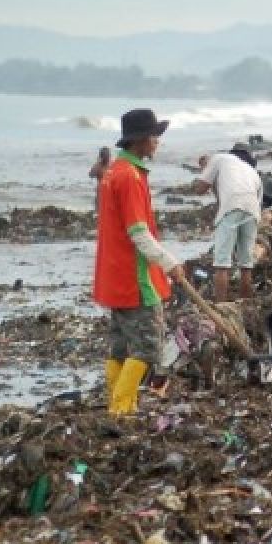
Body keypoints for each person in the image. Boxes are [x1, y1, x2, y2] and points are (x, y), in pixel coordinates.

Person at [94, 109, 184, 416]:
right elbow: (139, 233)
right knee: (148, 348)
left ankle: (118, 406)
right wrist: (170, 263)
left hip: (112, 275)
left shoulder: (112, 173)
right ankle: (121, 410)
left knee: (120, 347)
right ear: (140, 141)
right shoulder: (130, 177)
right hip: (134, 277)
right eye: (154, 137)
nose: (157, 143)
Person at [195, 143, 263, 302]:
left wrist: (205, 170)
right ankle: (246, 303)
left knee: (222, 263)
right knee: (246, 263)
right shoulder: (253, 172)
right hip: (252, 210)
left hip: (232, 207)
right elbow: (255, 202)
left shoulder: (218, 159)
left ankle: (221, 307)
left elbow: (200, 189)